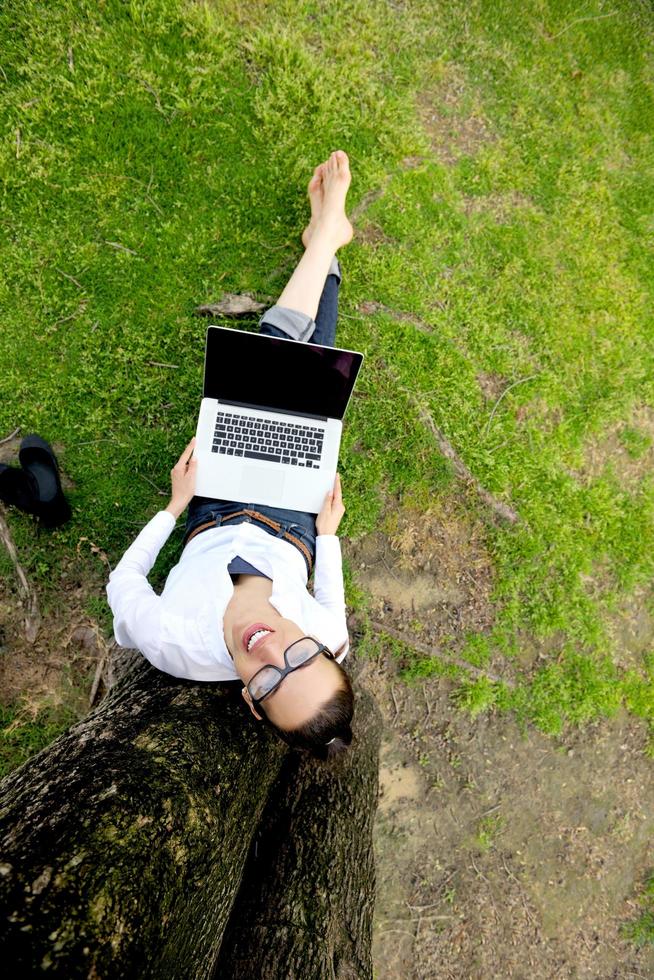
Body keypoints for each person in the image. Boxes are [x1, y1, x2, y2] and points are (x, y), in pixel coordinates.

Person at [106, 150, 356, 760]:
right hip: (293, 523)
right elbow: (331, 605)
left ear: (250, 701)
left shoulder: (173, 644)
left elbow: (124, 582)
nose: (270, 650)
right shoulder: (329, 635)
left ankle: (326, 243)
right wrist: (327, 538)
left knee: (273, 370)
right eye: (300, 656)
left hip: (211, 508)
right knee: (297, 385)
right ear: (321, 650)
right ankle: (324, 244)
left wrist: (174, 507)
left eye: (270, 683)